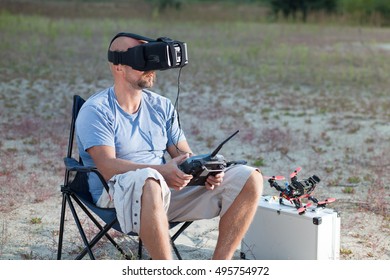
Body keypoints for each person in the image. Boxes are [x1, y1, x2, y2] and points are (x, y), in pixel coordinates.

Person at [75, 33, 263, 260]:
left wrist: (204, 171)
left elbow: (184, 155)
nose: (151, 68)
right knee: (150, 182)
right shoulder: (97, 110)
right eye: (142, 61)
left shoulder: (161, 106)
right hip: (116, 196)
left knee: (249, 178)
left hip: (164, 190)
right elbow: (107, 167)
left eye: (152, 60)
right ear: (118, 67)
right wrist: (161, 172)